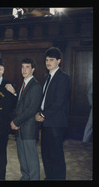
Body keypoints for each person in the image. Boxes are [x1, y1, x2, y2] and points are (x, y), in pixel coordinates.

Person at [35, 47, 71, 180]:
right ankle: (49, 178)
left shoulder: (63, 78)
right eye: (46, 60)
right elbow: (44, 99)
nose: (48, 62)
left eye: (51, 60)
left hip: (56, 123)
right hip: (46, 123)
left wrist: (43, 115)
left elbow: (58, 102)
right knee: (46, 154)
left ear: (59, 61)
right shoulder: (47, 77)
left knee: (56, 155)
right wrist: (39, 112)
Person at [10, 58, 42, 180]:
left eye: (27, 67)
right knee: (22, 156)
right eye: (22, 67)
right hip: (19, 128)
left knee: (31, 157)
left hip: (28, 127)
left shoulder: (36, 86)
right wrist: (15, 121)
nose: (24, 70)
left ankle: (34, 178)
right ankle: (25, 177)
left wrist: (15, 122)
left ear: (33, 69)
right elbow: (18, 107)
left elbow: (31, 110)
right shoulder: (22, 84)